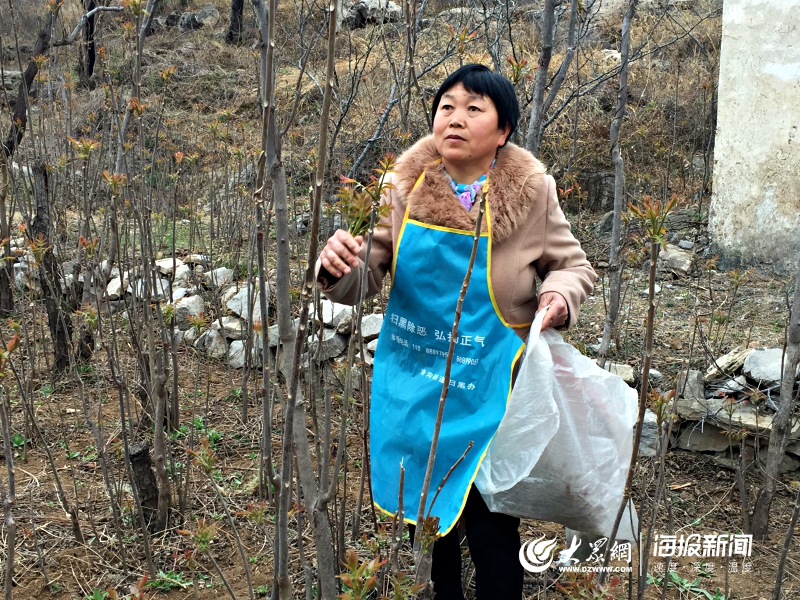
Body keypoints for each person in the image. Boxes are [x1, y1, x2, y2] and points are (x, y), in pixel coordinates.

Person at [317, 64, 596, 600]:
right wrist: (336, 270)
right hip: (414, 379)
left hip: (488, 381)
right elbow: (370, 270)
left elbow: (573, 265)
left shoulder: (532, 192)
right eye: (447, 106)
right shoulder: (403, 186)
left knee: (492, 527)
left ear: (503, 129)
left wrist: (558, 296)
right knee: (424, 524)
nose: (456, 118)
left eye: (474, 108)